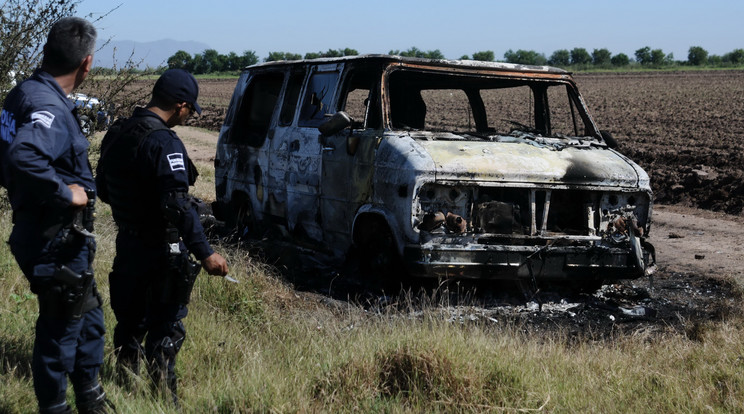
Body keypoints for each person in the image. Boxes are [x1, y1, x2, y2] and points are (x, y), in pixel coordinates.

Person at [95, 68, 229, 405]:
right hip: (162, 250)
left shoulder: (118, 132)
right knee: (166, 328)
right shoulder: (164, 142)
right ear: (181, 105)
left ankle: (126, 385)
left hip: (128, 243)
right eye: (189, 110)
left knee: (129, 322)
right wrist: (206, 252)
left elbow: (103, 190)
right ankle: (164, 403)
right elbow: (177, 205)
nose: (188, 116)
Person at [0, 17, 110, 413]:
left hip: (43, 232)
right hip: (55, 240)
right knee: (59, 332)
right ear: (87, 65)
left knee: (90, 320)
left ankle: (90, 398)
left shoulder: (23, 94)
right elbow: (23, 154)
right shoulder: (47, 105)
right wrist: (67, 193)